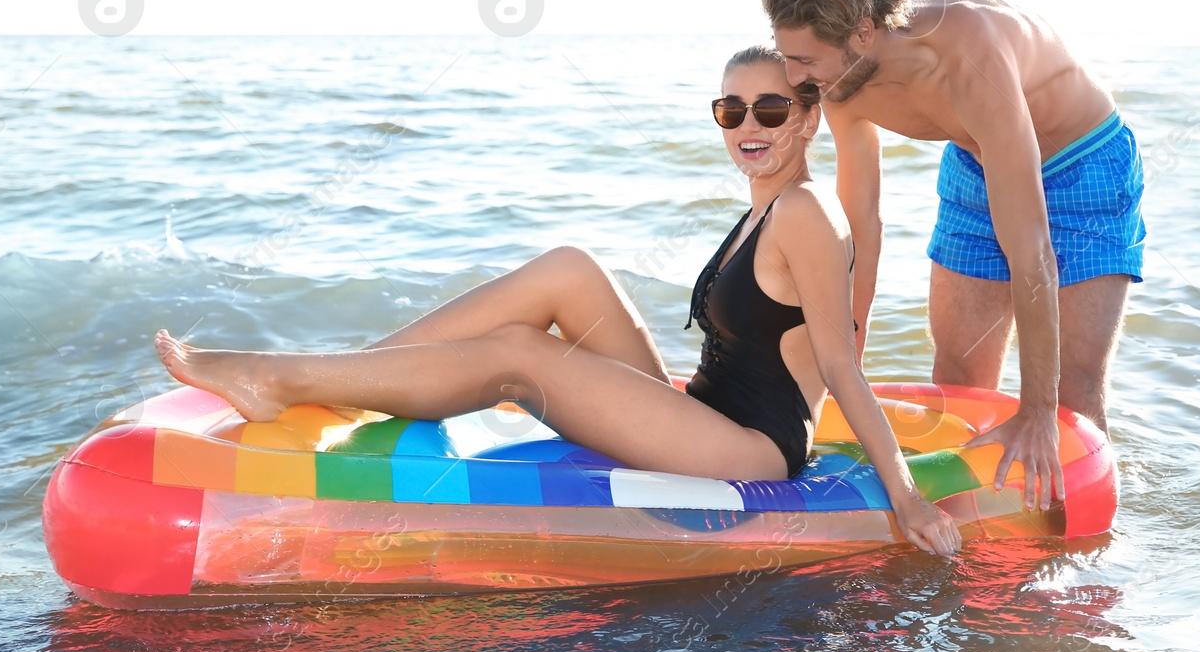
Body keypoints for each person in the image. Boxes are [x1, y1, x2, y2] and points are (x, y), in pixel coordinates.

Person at [153, 45, 964, 557]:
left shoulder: (804, 212)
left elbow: (838, 363)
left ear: (809, 117)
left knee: (520, 359)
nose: (747, 126)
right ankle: (357, 373)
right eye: (731, 109)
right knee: (570, 269)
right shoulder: (762, 199)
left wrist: (906, 496)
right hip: (706, 405)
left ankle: (283, 377)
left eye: (771, 108)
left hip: (751, 446)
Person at [763, 0, 1146, 511]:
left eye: (805, 60)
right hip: (975, 162)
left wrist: (1036, 411)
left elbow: (1032, 252)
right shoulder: (839, 79)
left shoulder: (970, 62)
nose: (792, 78)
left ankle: (1076, 547)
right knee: (959, 375)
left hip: (1083, 165)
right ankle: (966, 536)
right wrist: (848, 365)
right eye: (786, 56)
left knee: (1072, 394)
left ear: (863, 33)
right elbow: (860, 227)